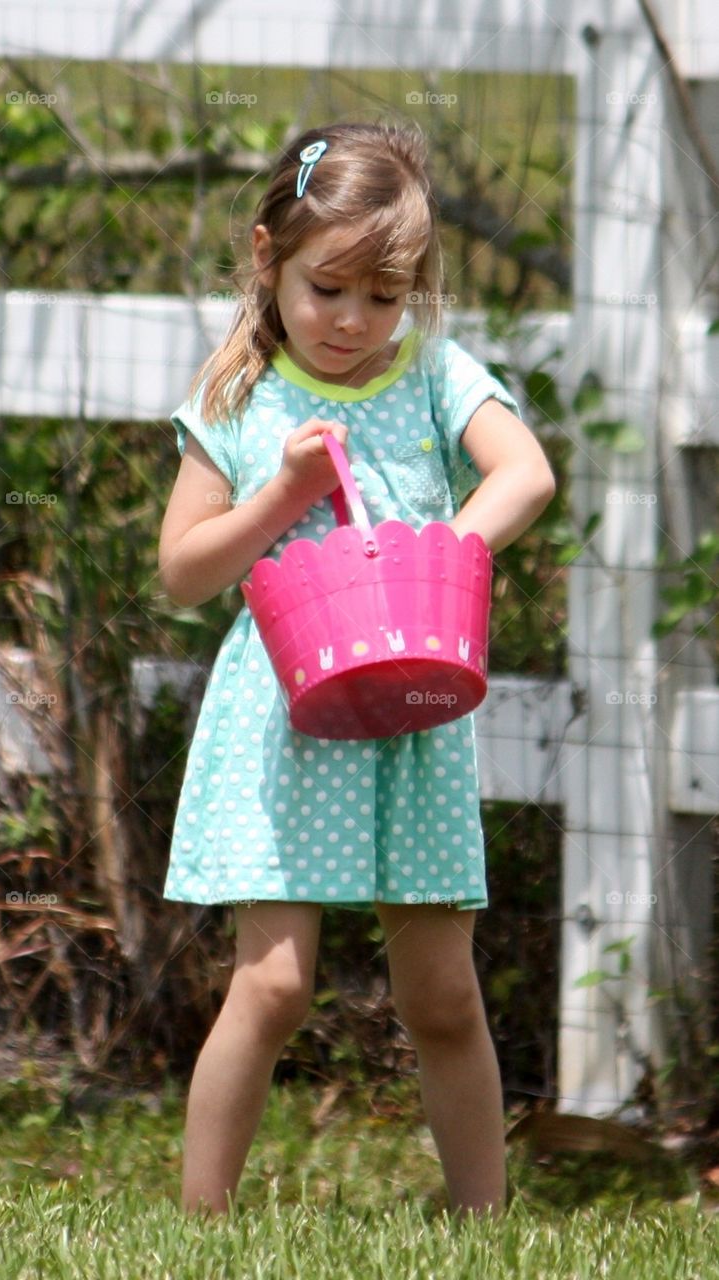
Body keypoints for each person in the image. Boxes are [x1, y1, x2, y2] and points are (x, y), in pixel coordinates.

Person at [158, 120, 555, 1220]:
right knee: (274, 983)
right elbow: (185, 570)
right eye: (327, 287)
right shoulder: (238, 401)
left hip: (413, 706)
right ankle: (202, 1221)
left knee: (437, 991)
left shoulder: (430, 375)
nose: (352, 320)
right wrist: (277, 499)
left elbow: (523, 473)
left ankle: (481, 1219)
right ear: (266, 259)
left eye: (385, 296)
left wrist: (436, 559)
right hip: (285, 712)